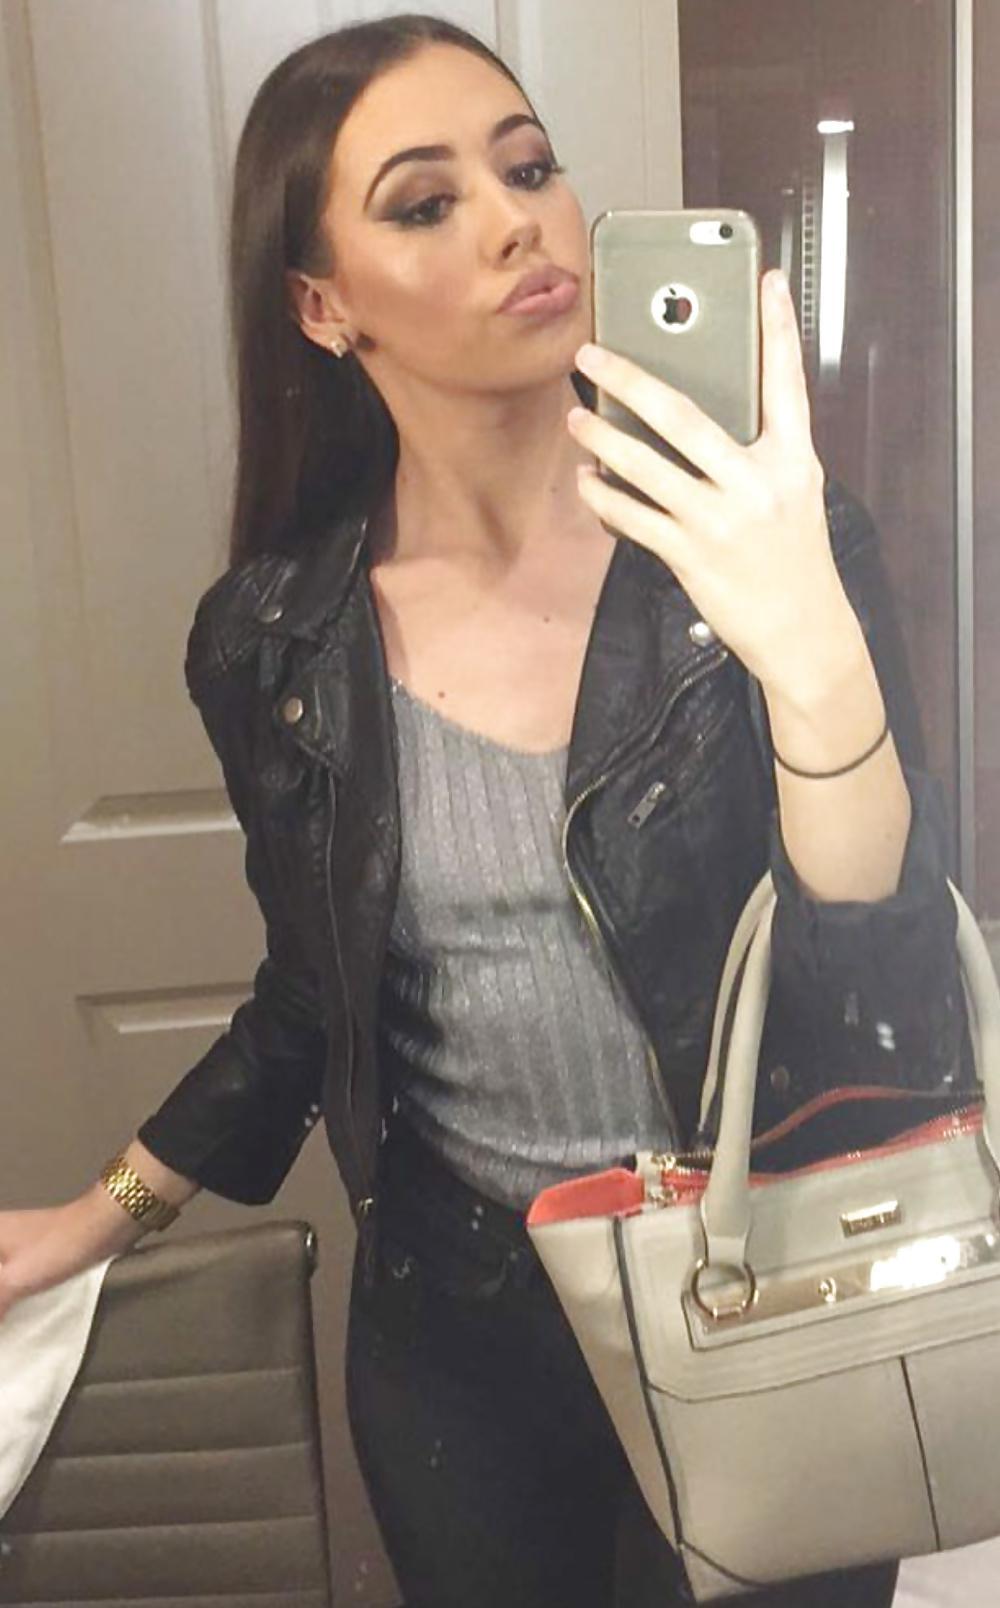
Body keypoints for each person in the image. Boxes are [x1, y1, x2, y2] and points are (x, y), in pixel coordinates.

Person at [0, 15, 968, 1607]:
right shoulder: (277, 641)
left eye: (529, 168)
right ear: (322, 306)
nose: (518, 221)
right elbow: (308, 1003)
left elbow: (881, 972)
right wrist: (91, 1222)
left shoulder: (764, 550)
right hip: (461, 1345)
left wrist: (809, 651)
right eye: (426, 201)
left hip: (766, 1296)